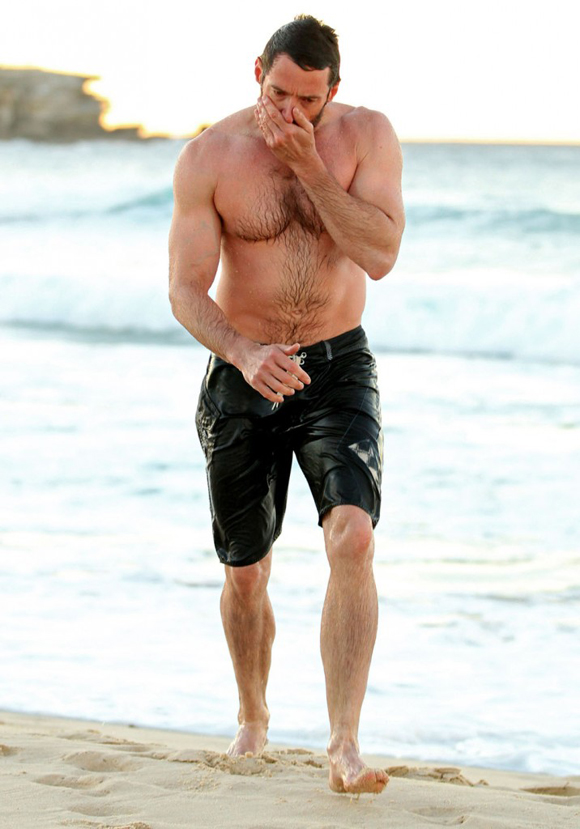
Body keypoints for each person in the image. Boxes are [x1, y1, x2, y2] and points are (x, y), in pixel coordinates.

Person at [168, 15, 405, 795]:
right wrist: (242, 352)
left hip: (337, 367)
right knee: (245, 571)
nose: (291, 111)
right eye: (279, 93)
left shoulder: (367, 137)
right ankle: (253, 715)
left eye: (310, 99)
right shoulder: (208, 157)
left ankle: (344, 744)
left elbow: (380, 254)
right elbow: (184, 290)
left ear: (334, 89)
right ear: (257, 73)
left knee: (353, 538)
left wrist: (309, 167)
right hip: (244, 372)